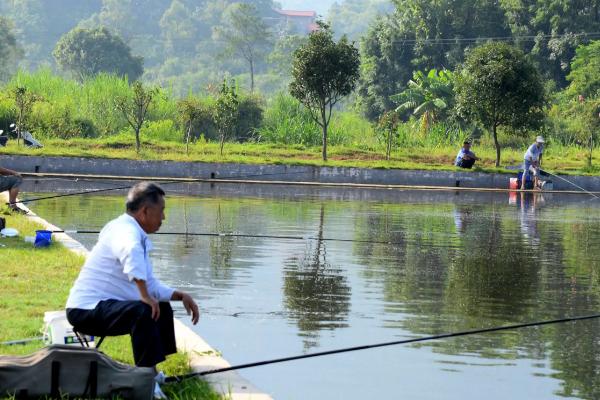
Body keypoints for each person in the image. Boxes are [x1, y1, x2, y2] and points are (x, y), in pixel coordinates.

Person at [65, 182, 200, 399]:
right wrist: (144, 296)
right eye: (162, 211)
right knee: (143, 311)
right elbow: (131, 253)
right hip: (85, 309)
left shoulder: (133, 232)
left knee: (161, 307)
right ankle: (144, 382)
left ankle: (152, 373)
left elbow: (151, 284)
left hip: (105, 306)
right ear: (145, 211)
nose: (164, 217)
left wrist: (180, 295)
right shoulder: (125, 231)